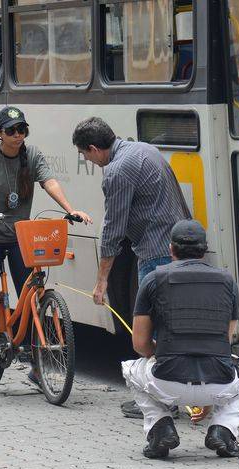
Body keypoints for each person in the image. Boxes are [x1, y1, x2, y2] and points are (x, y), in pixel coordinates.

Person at [0, 106, 91, 399]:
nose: (17, 135)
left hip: (19, 236)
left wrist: (69, 209)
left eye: (22, 129)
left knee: (34, 295)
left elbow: (49, 181)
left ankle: (37, 367)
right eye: (11, 130)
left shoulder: (31, 155)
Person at [71, 117, 189, 418]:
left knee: (153, 328)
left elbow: (113, 230)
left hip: (154, 253)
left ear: (95, 149)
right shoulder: (145, 150)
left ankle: (165, 401)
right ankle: (180, 393)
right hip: (178, 246)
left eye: (86, 155)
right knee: (171, 325)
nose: (89, 161)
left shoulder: (117, 171)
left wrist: (101, 283)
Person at [122, 220, 239, 459]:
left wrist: (164, 352)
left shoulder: (153, 279)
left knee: (130, 370)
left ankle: (160, 428)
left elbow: (140, 345)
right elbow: (224, 342)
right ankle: (223, 430)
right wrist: (207, 393)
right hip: (219, 380)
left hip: (166, 381)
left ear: (170, 249)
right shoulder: (228, 282)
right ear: (205, 249)